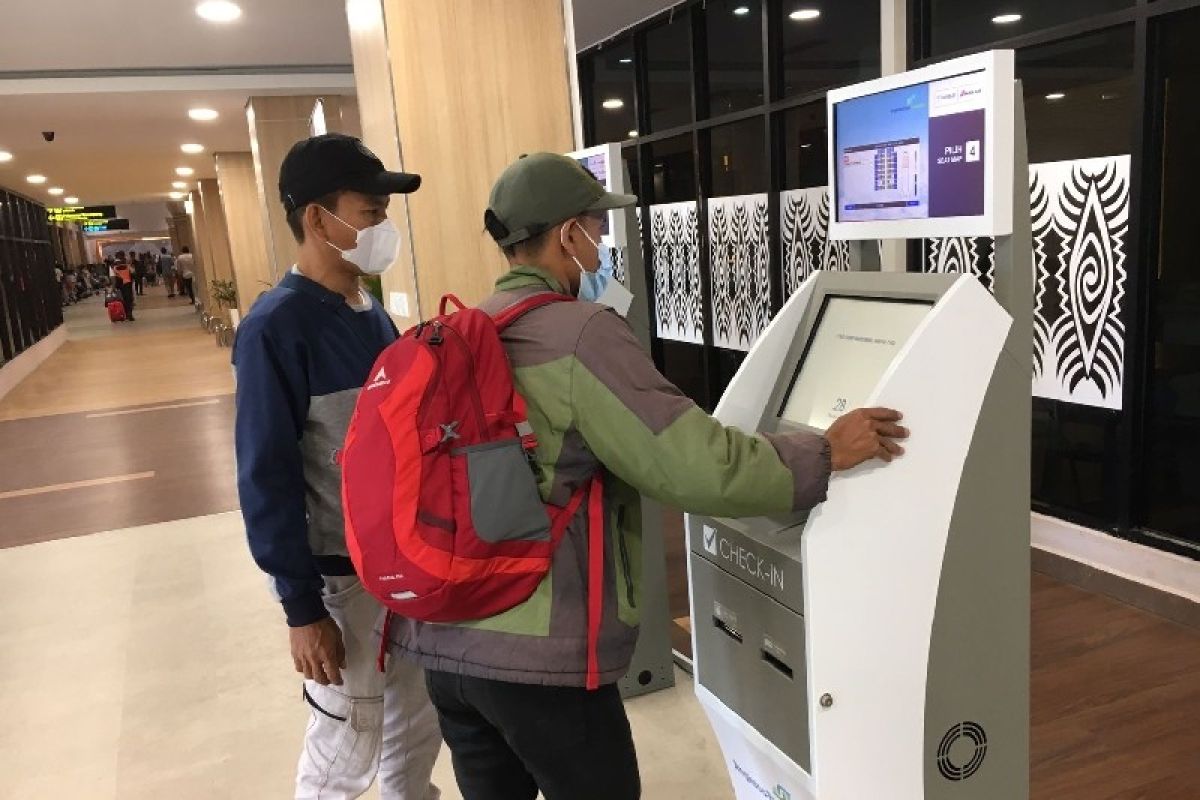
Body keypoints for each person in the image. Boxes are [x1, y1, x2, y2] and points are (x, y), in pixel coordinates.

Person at [387, 153, 909, 800]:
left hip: (448, 642)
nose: (601, 244)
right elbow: (692, 463)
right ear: (566, 236)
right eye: (595, 229)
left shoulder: (463, 331)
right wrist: (823, 452)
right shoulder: (579, 335)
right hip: (537, 655)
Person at [233, 133, 442, 800]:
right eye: (370, 212)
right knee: (349, 738)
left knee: (415, 723)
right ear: (318, 218)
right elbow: (265, 476)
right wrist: (300, 608)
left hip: (398, 563)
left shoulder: (368, 311)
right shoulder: (277, 327)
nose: (382, 228)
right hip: (339, 579)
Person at [112, 252, 135, 321]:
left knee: (121, 299)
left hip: (119, 285)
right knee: (129, 299)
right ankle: (129, 314)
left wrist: (113, 287)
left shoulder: (113, 266)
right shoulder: (127, 265)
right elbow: (133, 272)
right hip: (127, 284)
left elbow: (112, 277)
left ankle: (123, 314)